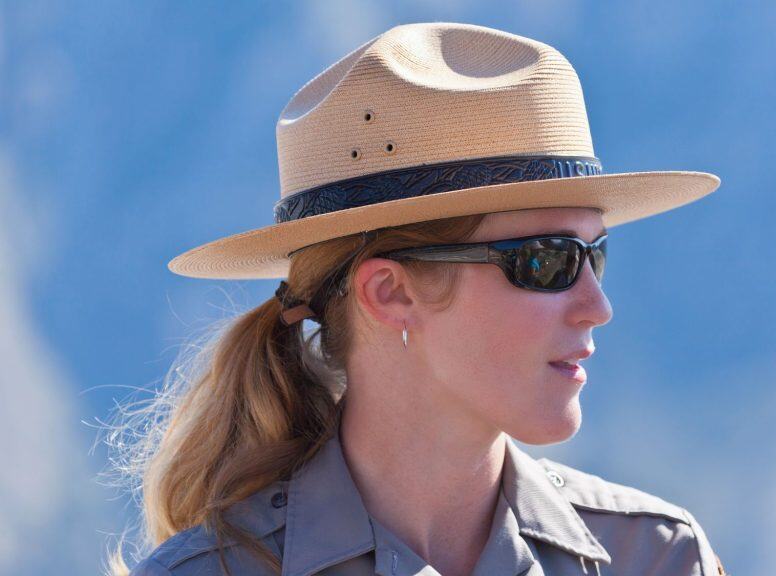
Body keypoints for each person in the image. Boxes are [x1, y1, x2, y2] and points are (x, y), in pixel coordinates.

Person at [108, 21, 727, 576]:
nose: (598, 306)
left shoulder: (660, 558)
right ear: (389, 292)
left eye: (596, 255)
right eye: (547, 261)